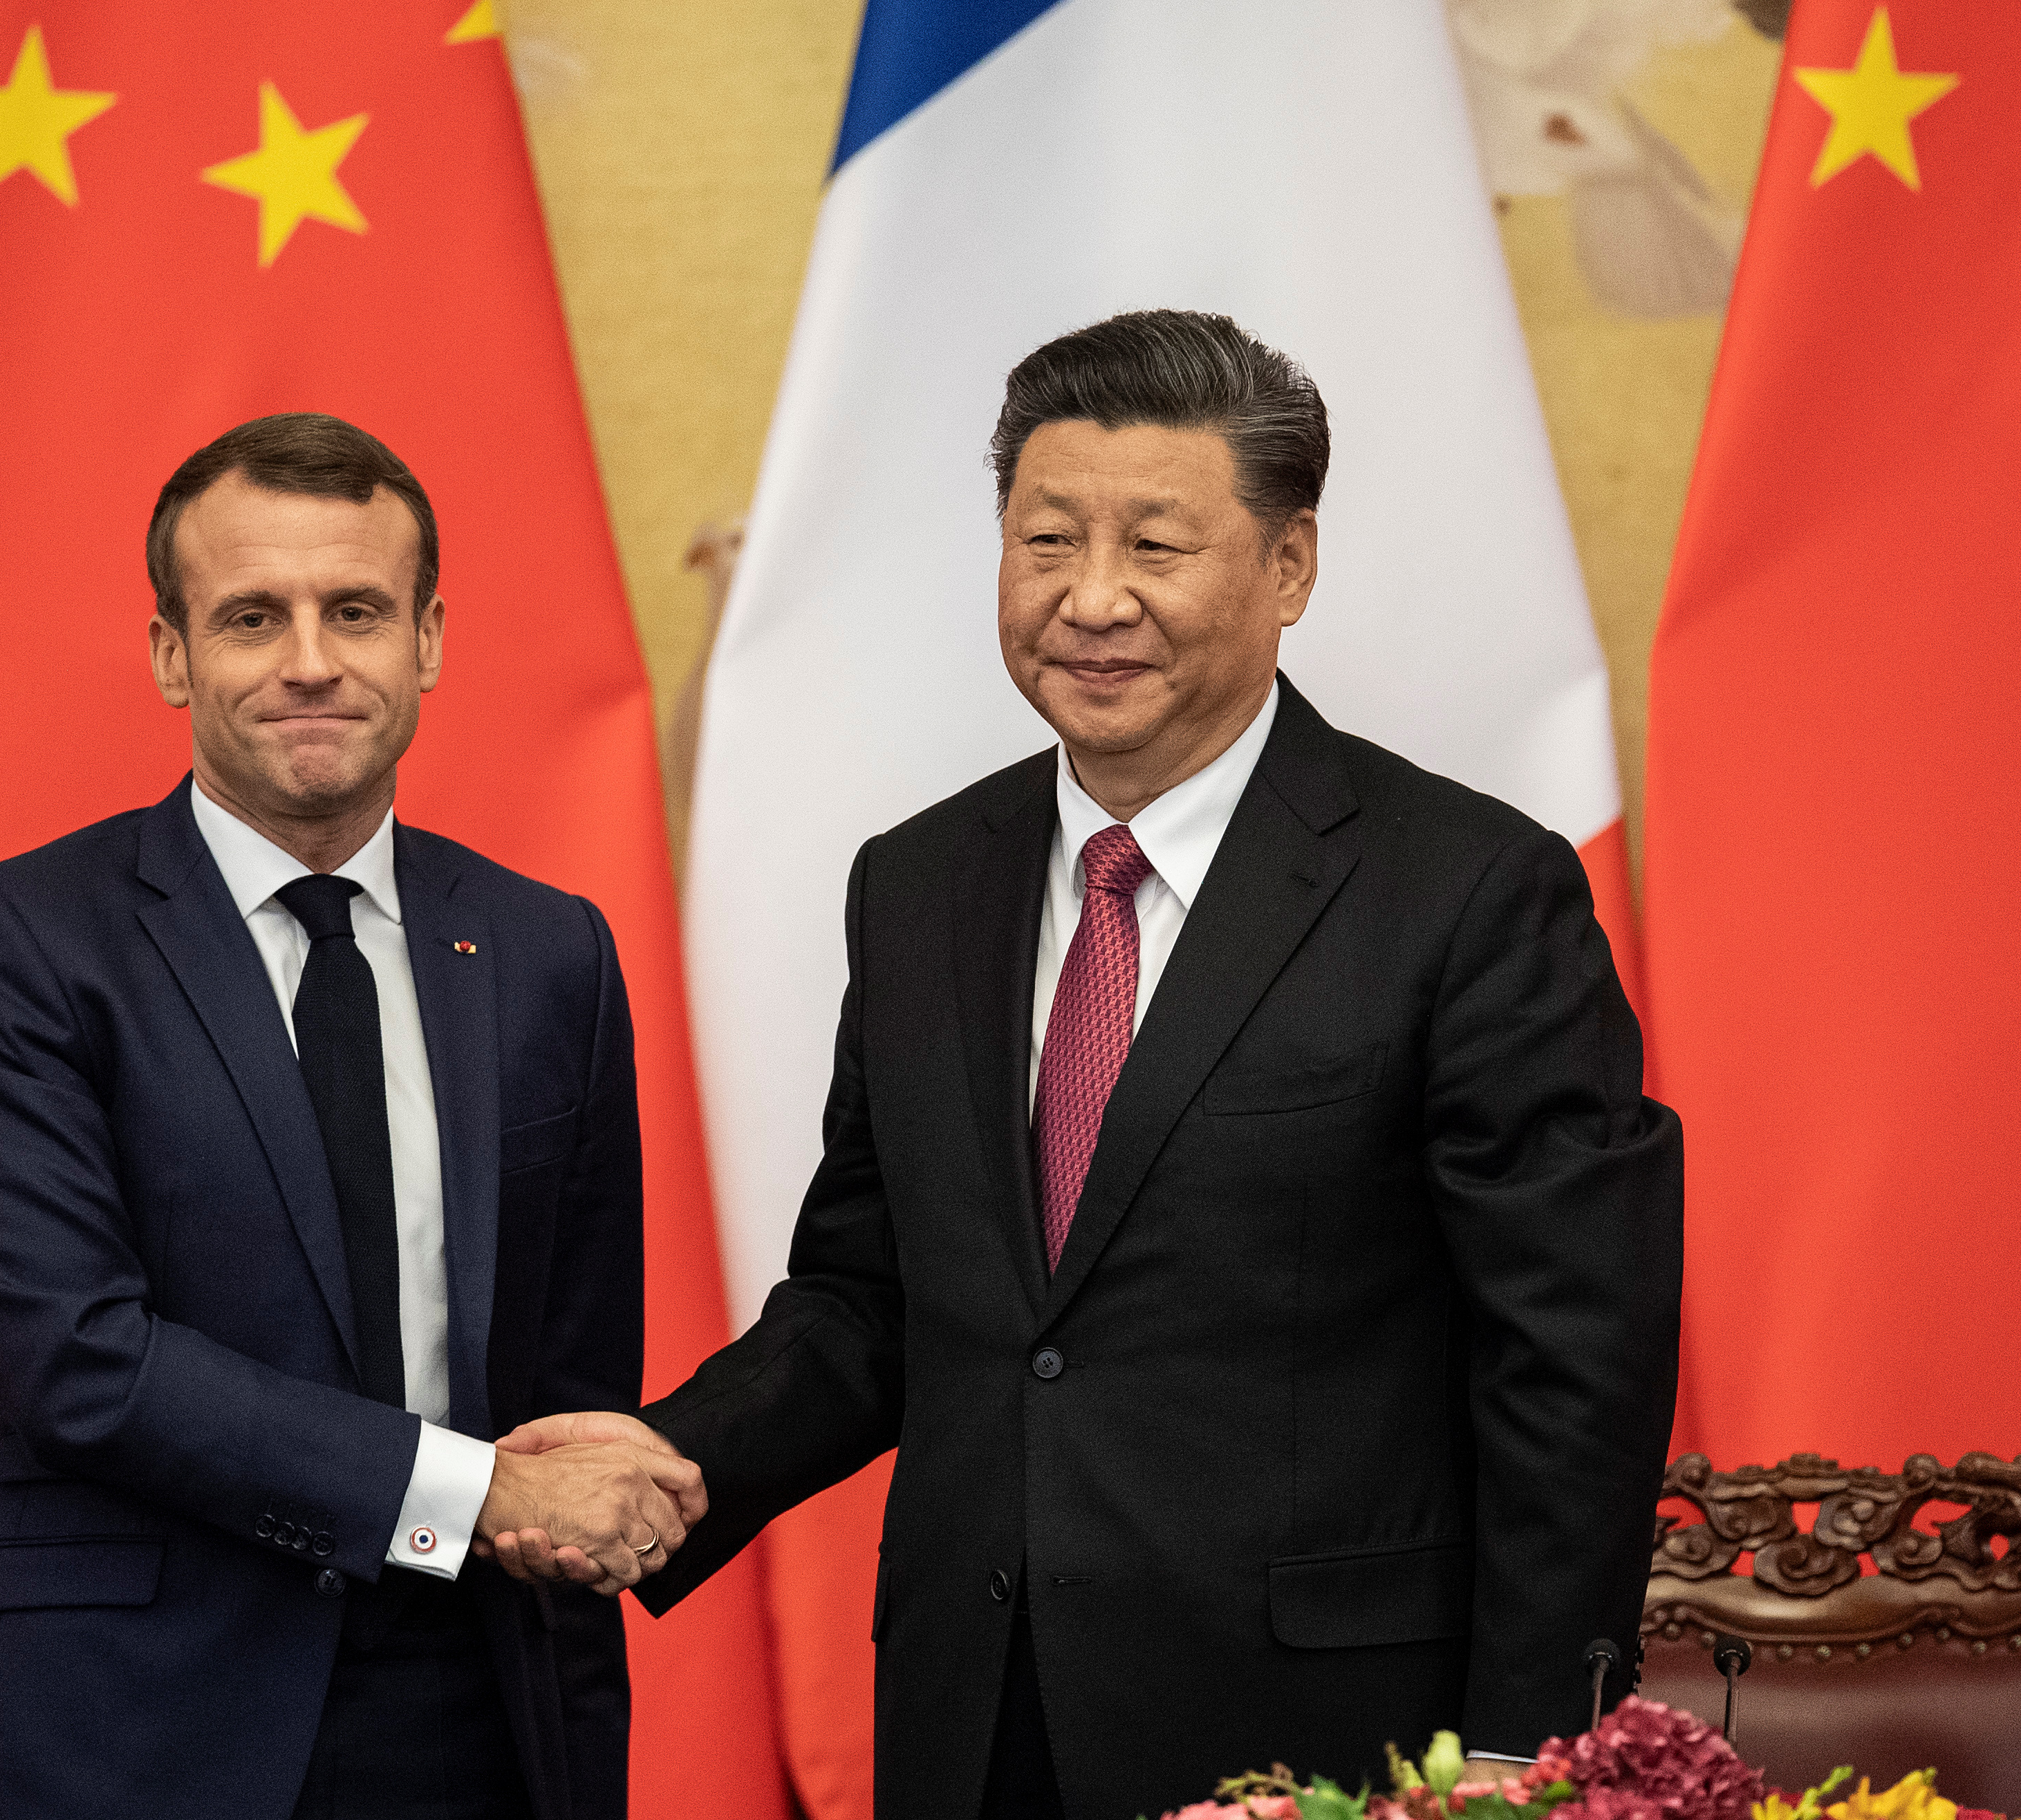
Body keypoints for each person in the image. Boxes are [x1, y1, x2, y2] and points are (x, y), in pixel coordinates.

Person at [494, 312, 1684, 1820]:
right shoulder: (919, 884)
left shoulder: (1465, 892)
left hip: (1328, 1734)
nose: (1092, 597)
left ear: (1289, 567)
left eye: (1156, 546)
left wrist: (1527, 1753)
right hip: (974, 1713)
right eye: (1046, 539)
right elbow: (871, 1295)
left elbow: (1574, 1357)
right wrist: (671, 1457)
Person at [0, 413, 702, 1820]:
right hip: (127, 1726)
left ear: (427, 641)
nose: (310, 661)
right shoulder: (10, 944)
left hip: (472, 1717)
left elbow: (570, 1398)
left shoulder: (546, 950)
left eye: (357, 611)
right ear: (171, 654)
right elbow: (76, 1359)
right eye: (252, 616)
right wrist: (471, 1496)